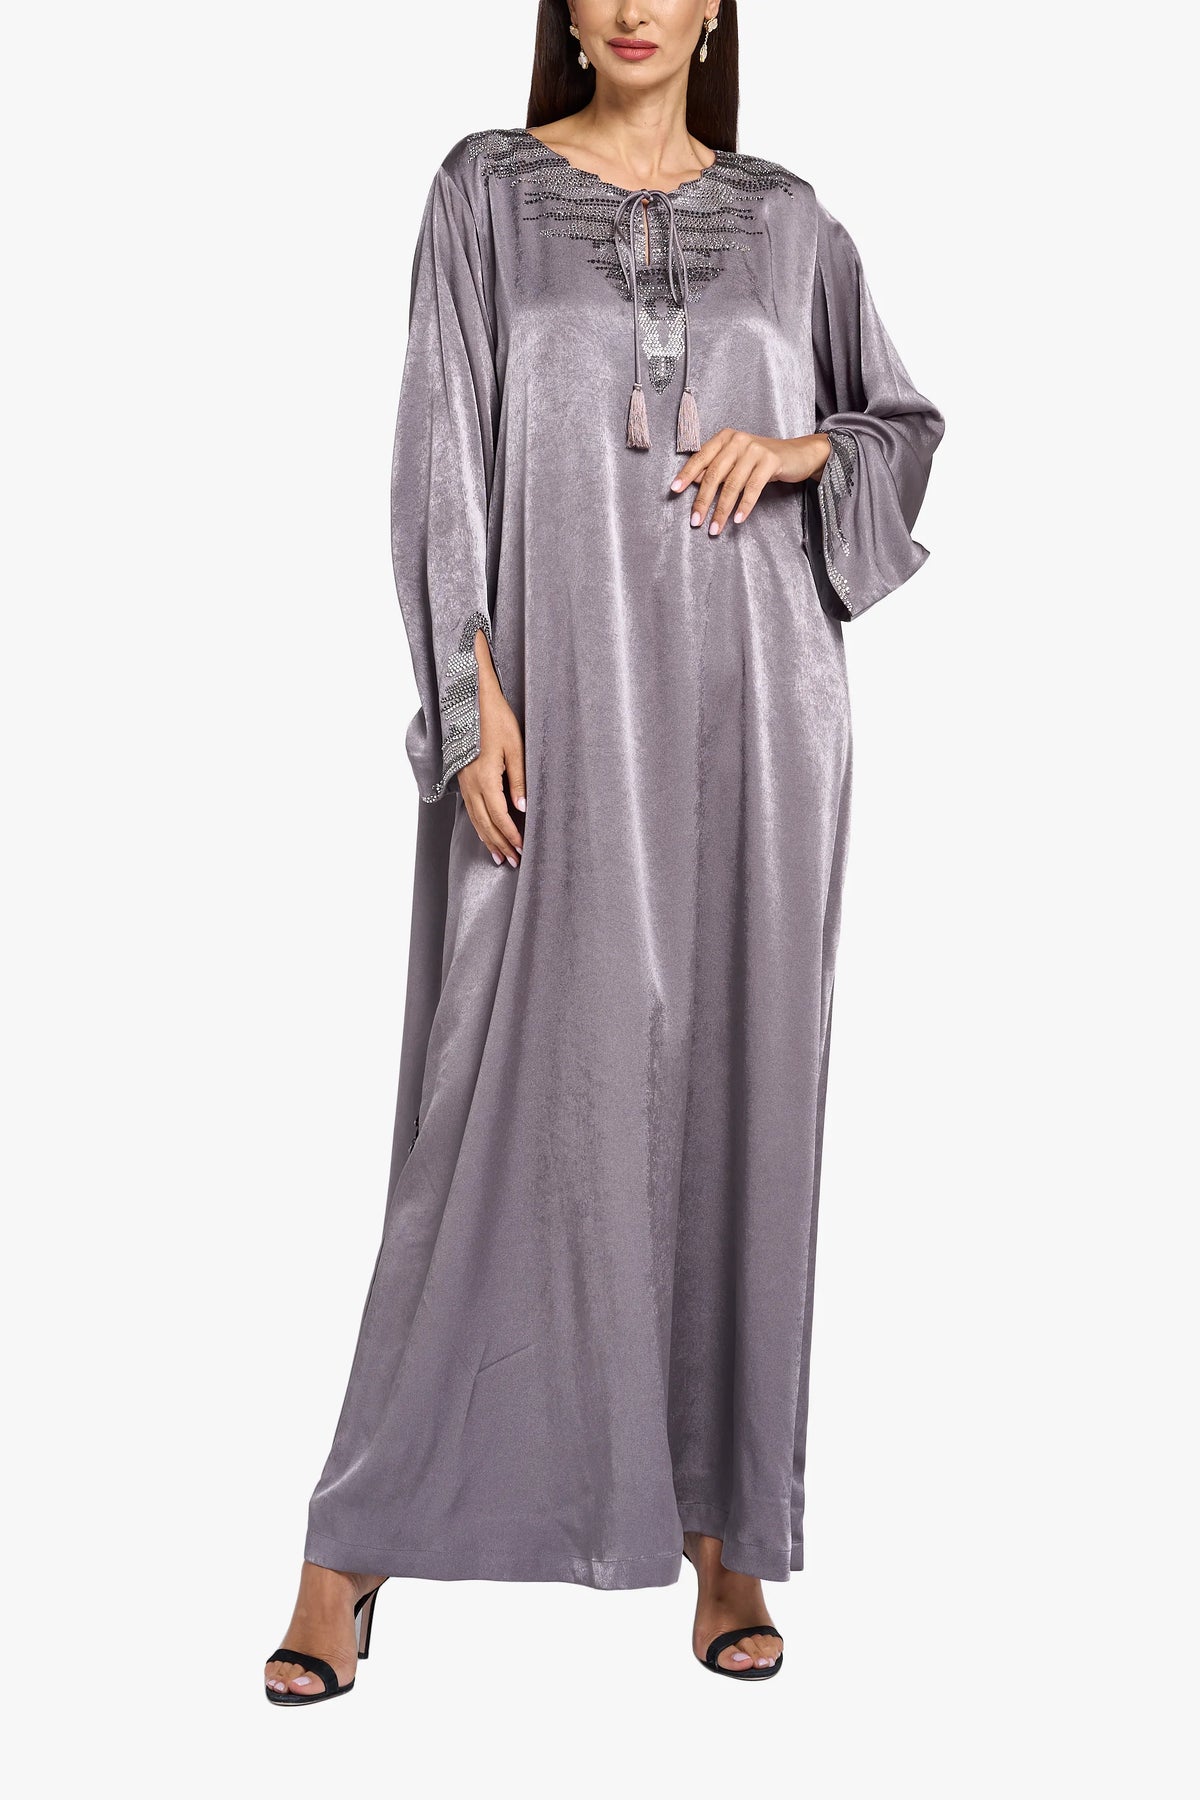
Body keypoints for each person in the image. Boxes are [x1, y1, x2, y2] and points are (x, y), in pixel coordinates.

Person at [264, 0, 944, 1704]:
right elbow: (440, 445)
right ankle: (354, 1541)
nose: (635, 6)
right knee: (497, 1094)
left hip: (760, 717)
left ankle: (729, 1531)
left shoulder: (790, 221)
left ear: (716, 8)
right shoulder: (485, 193)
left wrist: (804, 447)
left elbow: (904, 432)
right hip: (558, 708)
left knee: (740, 1096)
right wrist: (468, 686)